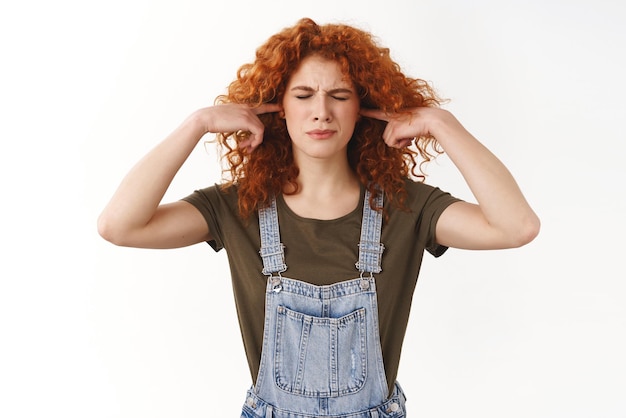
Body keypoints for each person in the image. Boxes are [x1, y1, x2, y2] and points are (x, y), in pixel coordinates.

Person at [98, 17, 540, 418]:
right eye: (304, 95)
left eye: (339, 96)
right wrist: (196, 124)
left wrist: (443, 124)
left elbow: (516, 226)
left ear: (363, 107)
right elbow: (119, 226)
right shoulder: (238, 207)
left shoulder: (407, 207)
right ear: (278, 107)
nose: (321, 111)